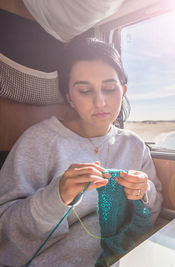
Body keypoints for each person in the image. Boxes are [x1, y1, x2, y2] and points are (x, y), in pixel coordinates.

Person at [0, 38, 163, 266]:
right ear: (69, 98)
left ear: (123, 91)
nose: (100, 102)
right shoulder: (39, 141)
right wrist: (55, 198)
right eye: (85, 91)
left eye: (109, 88)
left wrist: (145, 191)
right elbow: (4, 234)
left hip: (124, 255)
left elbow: (153, 212)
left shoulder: (134, 145)